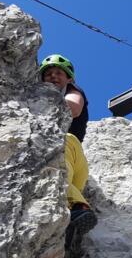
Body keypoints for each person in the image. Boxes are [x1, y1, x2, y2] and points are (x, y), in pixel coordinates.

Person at [39, 54, 97, 242]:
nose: (53, 76)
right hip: (75, 174)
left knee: (57, 172)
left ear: (69, 78)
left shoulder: (72, 90)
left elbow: (73, 108)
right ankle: (68, 236)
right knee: (60, 187)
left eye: (58, 73)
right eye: (48, 74)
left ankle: (79, 208)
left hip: (69, 149)